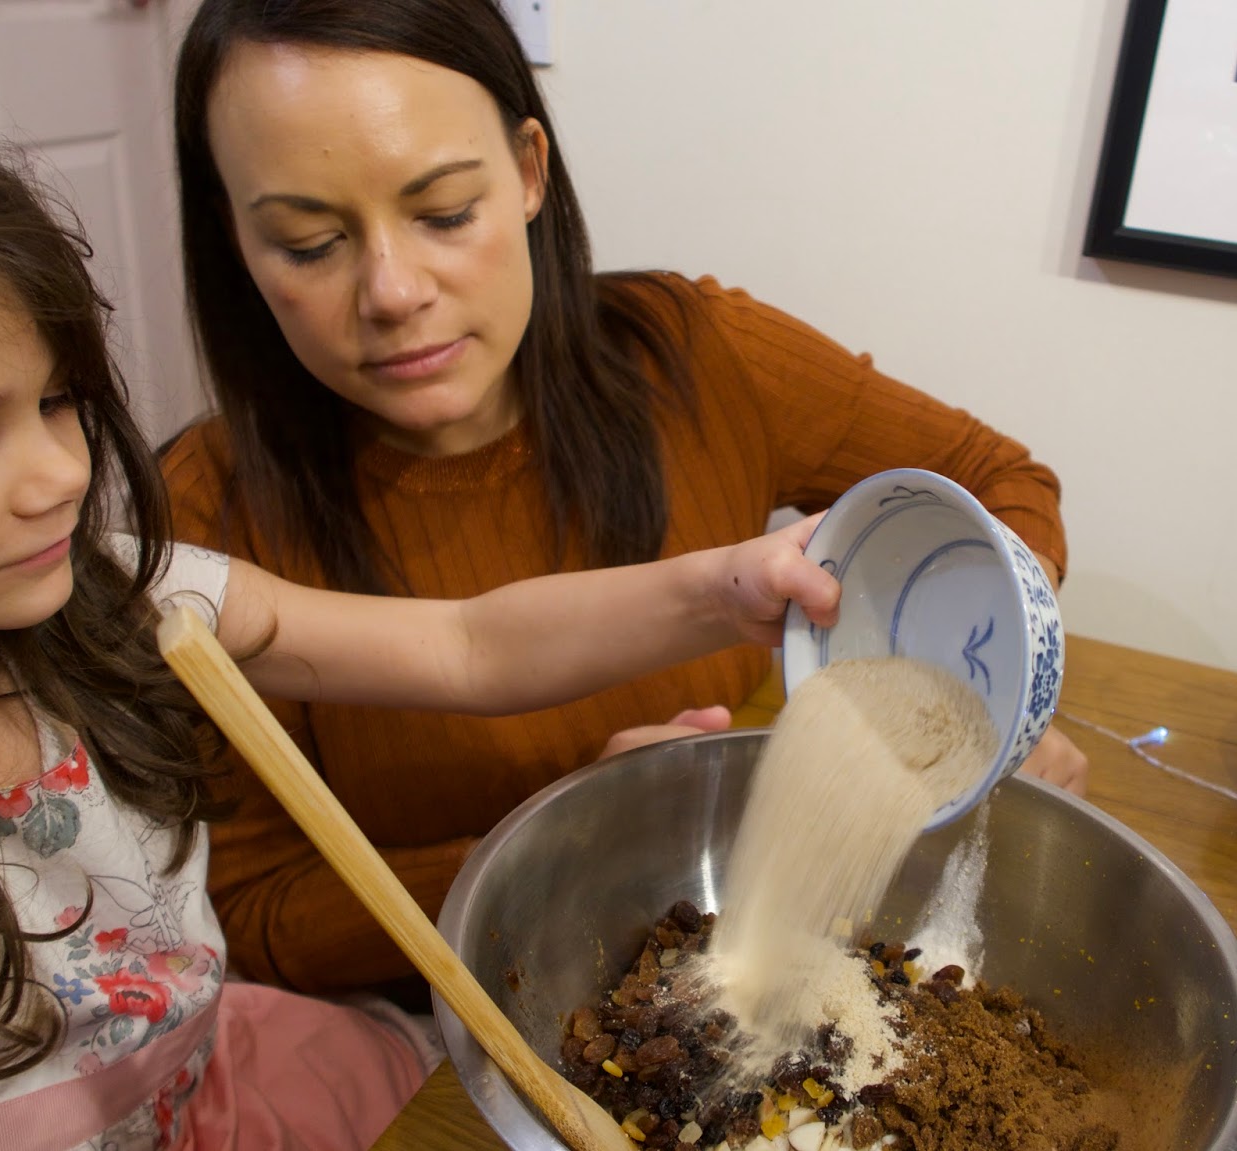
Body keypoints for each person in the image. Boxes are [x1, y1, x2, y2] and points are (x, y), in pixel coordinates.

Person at [0, 45, 847, 1149]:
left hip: (208, 1082)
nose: (61, 474)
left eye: (56, 402)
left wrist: (717, 588)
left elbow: (467, 645)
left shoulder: (125, 590)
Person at [161, 0, 1090, 998]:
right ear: (234, 237)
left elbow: (998, 476)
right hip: (451, 1012)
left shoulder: (696, 356)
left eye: (445, 212)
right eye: (308, 242)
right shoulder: (207, 527)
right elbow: (254, 914)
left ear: (528, 169)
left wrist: (983, 675)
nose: (392, 291)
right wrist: (567, 835)